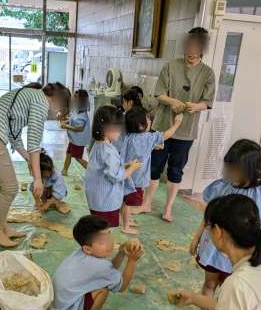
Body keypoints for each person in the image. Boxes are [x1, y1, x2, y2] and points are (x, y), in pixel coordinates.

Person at [190, 139, 261, 310]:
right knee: (209, 283)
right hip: (213, 250)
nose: (230, 174)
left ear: (254, 171)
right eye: (229, 168)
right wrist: (197, 236)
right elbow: (209, 216)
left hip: (236, 256)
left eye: (236, 170)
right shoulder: (222, 186)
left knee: (228, 292)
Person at [0, 82, 70, 247]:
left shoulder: (29, 96)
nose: (56, 112)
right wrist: (37, 179)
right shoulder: (41, 102)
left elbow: (14, 136)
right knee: (10, 188)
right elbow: (34, 143)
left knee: (0, 186)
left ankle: (2, 227)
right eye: (60, 108)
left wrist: (29, 160)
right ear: (56, 100)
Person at [136, 27, 216, 222]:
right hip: (163, 127)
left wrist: (196, 106)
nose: (191, 52)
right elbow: (159, 94)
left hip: (186, 131)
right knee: (154, 166)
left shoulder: (207, 73)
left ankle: (168, 209)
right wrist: (173, 102)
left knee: (175, 170)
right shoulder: (171, 66)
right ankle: (147, 203)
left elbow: (207, 102)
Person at [53, 215, 143, 310]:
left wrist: (121, 253)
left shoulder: (81, 253)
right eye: (102, 242)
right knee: (103, 290)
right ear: (87, 249)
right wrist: (132, 261)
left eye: (109, 236)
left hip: (57, 306)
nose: (110, 244)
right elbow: (122, 286)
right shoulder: (99, 265)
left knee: (103, 282)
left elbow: (109, 270)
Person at [120, 106, 183, 234]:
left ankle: (123, 220)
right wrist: (177, 123)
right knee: (128, 204)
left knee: (124, 201)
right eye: (147, 119)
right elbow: (166, 135)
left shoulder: (129, 136)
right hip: (136, 180)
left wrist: (153, 147)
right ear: (141, 125)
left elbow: (138, 149)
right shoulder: (147, 137)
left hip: (125, 175)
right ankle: (126, 226)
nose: (150, 120)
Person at [85, 105, 141, 228]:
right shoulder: (108, 151)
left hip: (97, 198)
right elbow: (116, 176)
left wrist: (126, 165)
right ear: (106, 129)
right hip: (105, 201)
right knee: (104, 228)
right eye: (117, 128)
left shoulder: (99, 145)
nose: (120, 132)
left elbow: (108, 168)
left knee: (98, 226)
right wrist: (131, 169)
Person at [60, 89, 90, 175]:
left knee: (78, 158)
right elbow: (72, 119)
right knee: (69, 153)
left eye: (76, 97)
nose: (73, 99)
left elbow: (79, 128)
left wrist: (66, 126)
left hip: (78, 140)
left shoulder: (82, 115)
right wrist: (66, 122)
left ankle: (92, 171)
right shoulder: (77, 110)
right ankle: (64, 170)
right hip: (74, 139)